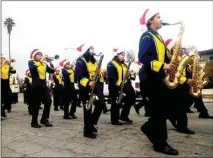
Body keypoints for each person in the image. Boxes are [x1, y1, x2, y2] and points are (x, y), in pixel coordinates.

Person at [138, 9, 179, 155]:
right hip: (150, 78)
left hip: (159, 78)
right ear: (150, 21)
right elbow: (143, 57)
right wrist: (163, 66)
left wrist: (174, 56)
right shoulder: (147, 35)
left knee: (164, 108)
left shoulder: (158, 37)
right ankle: (160, 144)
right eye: (158, 17)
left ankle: (149, 128)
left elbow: (166, 57)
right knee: (160, 111)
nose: (161, 19)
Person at [164, 38, 196, 134]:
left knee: (185, 103)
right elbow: (173, 73)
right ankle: (182, 126)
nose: (180, 48)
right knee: (181, 106)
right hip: (177, 84)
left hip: (183, 84)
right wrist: (186, 80)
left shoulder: (180, 57)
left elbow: (183, 71)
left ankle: (172, 116)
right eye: (176, 47)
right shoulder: (170, 59)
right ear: (171, 49)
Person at [75, 44, 105, 139]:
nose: (93, 51)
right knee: (88, 109)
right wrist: (88, 82)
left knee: (100, 104)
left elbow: (97, 72)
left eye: (93, 49)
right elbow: (78, 77)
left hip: (95, 87)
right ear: (86, 50)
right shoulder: (81, 60)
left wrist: (103, 73)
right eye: (91, 49)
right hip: (86, 88)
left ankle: (91, 123)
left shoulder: (94, 61)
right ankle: (87, 131)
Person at [107, 48, 135, 125]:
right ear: (117, 54)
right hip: (115, 86)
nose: (123, 56)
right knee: (116, 103)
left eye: (124, 55)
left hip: (125, 85)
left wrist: (132, 74)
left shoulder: (123, 64)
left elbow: (127, 74)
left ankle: (123, 116)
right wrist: (120, 84)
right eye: (122, 55)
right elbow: (112, 77)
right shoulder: (111, 64)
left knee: (130, 99)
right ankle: (114, 120)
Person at [28, 49, 55, 128]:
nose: (40, 55)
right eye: (38, 54)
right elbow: (32, 69)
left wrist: (50, 62)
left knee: (49, 101)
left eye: (41, 54)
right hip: (36, 85)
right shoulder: (31, 62)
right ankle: (34, 122)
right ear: (34, 56)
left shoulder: (44, 64)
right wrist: (41, 61)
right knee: (36, 104)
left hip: (43, 85)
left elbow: (51, 70)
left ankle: (44, 119)